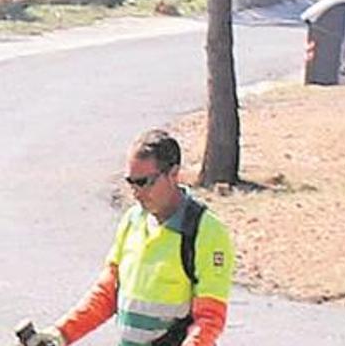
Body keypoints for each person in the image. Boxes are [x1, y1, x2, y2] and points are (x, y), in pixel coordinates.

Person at [31, 129, 235, 346]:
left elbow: (209, 319)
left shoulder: (206, 231)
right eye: (131, 182)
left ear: (173, 174)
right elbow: (107, 294)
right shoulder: (133, 220)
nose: (136, 192)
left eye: (144, 182)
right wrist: (61, 334)